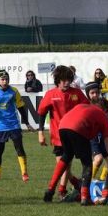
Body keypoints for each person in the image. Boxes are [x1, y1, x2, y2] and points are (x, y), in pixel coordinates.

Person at [43, 103, 108, 205]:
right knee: (87, 164)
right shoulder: (102, 116)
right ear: (105, 111)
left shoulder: (83, 106)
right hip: (78, 128)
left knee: (66, 156)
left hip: (62, 126)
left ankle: (50, 189)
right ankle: (85, 197)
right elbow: (107, 143)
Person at [37, 65, 90, 200]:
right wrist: (40, 132)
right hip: (57, 135)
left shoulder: (76, 93)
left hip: (73, 135)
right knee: (62, 165)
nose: (67, 82)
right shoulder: (51, 94)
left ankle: (61, 191)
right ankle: (74, 182)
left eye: (69, 80)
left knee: (65, 164)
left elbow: (86, 108)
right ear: (57, 80)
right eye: (63, 80)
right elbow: (42, 114)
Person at [0, 69, 34, 182]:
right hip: (1, 126)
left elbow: (21, 108)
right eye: (2, 79)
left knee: (19, 149)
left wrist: (26, 123)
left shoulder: (14, 91)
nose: (5, 81)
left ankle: (24, 173)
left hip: (14, 125)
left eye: (6, 79)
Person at [85, 82, 108, 180]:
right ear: (87, 94)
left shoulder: (103, 102)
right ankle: (86, 182)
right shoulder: (85, 104)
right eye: (92, 93)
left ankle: (102, 180)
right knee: (98, 159)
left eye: (97, 92)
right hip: (92, 136)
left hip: (102, 135)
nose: (95, 95)